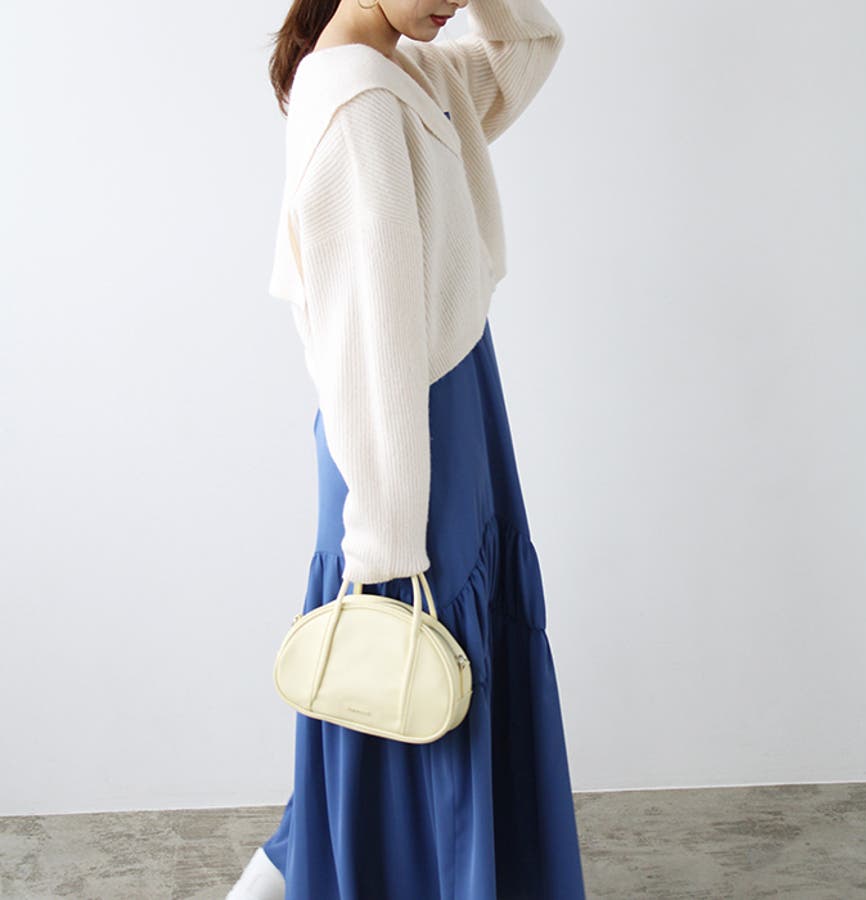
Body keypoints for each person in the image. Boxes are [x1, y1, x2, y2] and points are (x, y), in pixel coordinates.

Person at [228, 0, 586, 897]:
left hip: (448, 401)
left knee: (426, 677)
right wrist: (387, 535)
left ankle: (295, 868)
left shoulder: (416, 72)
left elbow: (530, 45)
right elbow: (370, 337)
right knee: (407, 667)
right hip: (404, 426)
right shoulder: (358, 99)